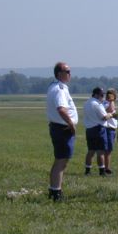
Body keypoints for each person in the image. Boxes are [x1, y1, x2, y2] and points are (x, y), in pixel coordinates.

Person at [46, 62, 78, 201]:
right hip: (62, 128)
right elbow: (61, 109)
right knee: (61, 161)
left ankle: (55, 190)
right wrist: (71, 124)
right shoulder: (59, 89)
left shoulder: (56, 87)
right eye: (67, 71)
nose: (70, 74)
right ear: (59, 74)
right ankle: (55, 193)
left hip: (58, 127)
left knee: (61, 160)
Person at [83, 87, 115, 176]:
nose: (103, 97)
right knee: (100, 152)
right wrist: (111, 115)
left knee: (90, 151)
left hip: (89, 129)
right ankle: (102, 171)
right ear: (96, 95)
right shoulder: (97, 104)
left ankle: (87, 170)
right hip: (99, 129)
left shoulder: (87, 103)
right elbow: (104, 117)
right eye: (102, 95)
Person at [102, 88, 118, 174]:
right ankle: (106, 168)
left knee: (109, 150)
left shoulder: (108, 103)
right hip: (108, 129)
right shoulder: (107, 103)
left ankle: (106, 167)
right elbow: (111, 110)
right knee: (108, 150)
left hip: (111, 128)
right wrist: (111, 100)